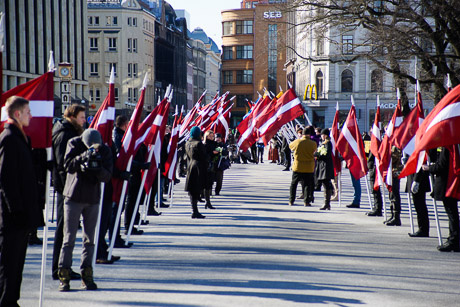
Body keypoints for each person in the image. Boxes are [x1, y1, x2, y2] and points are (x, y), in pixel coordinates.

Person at [0, 96, 44, 306]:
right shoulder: (8, 138)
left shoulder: (21, 137)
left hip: (23, 213)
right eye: (28, 112)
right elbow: (6, 179)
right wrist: (16, 210)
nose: (31, 116)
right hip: (13, 216)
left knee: (18, 263)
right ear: (17, 114)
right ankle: (6, 301)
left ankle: (12, 299)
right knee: (9, 263)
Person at [58, 129, 113, 291]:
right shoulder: (74, 143)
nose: (94, 149)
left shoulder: (105, 150)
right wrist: (83, 157)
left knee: (90, 240)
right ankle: (64, 276)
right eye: (91, 146)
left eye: (96, 147)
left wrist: (97, 168)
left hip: (93, 199)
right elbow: (67, 165)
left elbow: (107, 176)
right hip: (73, 197)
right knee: (68, 240)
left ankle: (87, 275)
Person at [51, 104, 86, 280]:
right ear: (72, 116)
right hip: (66, 188)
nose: (84, 120)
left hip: (67, 187)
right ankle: (59, 267)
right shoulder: (65, 134)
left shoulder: (69, 131)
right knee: (63, 230)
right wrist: (69, 188)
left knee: (67, 230)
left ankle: (63, 266)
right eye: (81, 117)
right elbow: (62, 165)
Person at [422, 147, 460, 252]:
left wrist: (429, 168)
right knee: (452, 213)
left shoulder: (448, 147)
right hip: (450, 183)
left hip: (447, 184)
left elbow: (442, 165)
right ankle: (453, 238)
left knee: (452, 213)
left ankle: (454, 240)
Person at [288, 127, 317, 206]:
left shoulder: (297, 142)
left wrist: (299, 138)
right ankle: (306, 201)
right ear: (309, 134)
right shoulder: (313, 143)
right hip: (309, 167)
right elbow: (315, 151)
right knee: (307, 185)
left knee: (294, 184)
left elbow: (290, 146)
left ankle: (291, 200)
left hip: (298, 165)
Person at [185, 127, 207, 219]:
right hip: (198, 167)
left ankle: (194, 210)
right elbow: (204, 157)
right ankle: (195, 211)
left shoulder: (187, 143)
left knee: (192, 190)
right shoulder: (199, 144)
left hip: (190, 166)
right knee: (196, 189)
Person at [314, 129, 335, 210]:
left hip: (326, 166)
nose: (322, 136)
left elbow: (327, 154)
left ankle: (326, 203)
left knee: (326, 183)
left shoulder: (328, 143)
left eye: (323, 134)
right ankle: (327, 203)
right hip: (322, 165)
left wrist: (319, 156)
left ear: (326, 135)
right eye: (322, 134)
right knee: (325, 184)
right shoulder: (323, 142)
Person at [384, 146, 403, 226]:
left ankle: (396, 217)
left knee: (395, 194)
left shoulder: (397, 144)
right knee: (391, 195)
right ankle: (392, 215)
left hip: (395, 172)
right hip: (391, 171)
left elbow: (395, 156)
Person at [203, 130, 218, 209]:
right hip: (207, 166)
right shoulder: (205, 144)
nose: (212, 138)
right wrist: (213, 153)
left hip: (213, 166)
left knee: (210, 184)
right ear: (206, 136)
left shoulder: (214, 144)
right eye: (210, 136)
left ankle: (208, 201)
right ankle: (207, 202)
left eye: (212, 136)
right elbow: (205, 155)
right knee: (207, 184)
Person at [366, 151, 383, 216]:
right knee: (374, 188)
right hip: (373, 164)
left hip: (375, 164)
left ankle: (378, 208)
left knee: (375, 187)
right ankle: (376, 207)